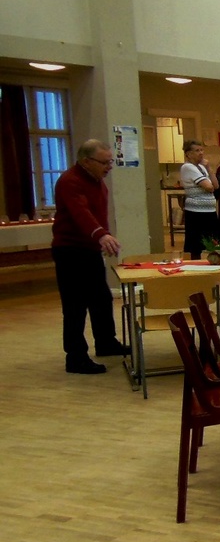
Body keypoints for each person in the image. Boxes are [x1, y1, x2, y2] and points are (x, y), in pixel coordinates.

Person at [51, 139, 127, 374]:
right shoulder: (70, 181)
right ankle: (75, 357)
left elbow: (98, 215)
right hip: (70, 251)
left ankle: (106, 342)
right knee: (75, 306)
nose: (109, 167)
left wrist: (103, 236)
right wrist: (101, 235)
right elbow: (80, 213)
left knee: (101, 299)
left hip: (89, 249)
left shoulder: (97, 181)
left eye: (110, 161)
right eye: (105, 162)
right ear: (86, 161)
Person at [178, 139, 220, 260]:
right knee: (196, 245)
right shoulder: (188, 167)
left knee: (213, 243)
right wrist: (210, 185)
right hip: (196, 212)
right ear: (188, 154)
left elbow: (216, 186)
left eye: (202, 150)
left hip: (209, 211)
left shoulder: (201, 167)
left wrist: (208, 168)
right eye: (197, 150)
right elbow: (209, 187)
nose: (201, 153)